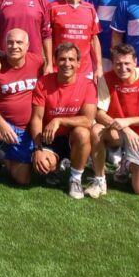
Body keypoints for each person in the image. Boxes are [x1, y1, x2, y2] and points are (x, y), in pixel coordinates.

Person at [90, 43, 139, 198]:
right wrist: (125, 128)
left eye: (127, 63)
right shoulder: (106, 79)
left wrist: (128, 122)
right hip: (118, 132)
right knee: (96, 131)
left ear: (135, 62)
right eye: (118, 64)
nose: (122, 68)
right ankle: (99, 180)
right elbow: (100, 114)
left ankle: (126, 163)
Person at [28, 43, 97, 200]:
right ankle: (57, 166)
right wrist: (38, 148)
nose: (67, 64)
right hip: (50, 138)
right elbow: (37, 118)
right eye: (62, 59)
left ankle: (75, 178)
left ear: (79, 63)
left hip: (74, 138)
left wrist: (59, 120)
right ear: (55, 61)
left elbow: (88, 120)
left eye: (71, 59)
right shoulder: (43, 83)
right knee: (43, 166)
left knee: (82, 132)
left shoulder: (87, 84)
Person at [0, 28, 45, 195]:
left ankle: (3, 156)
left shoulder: (38, 63)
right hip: (4, 125)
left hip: (27, 129)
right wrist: (2, 125)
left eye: (19, 42)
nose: (14, 46)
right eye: (10, 42)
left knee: (22, 179)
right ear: (4, 45)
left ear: (28, 45)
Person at [47, 0, 101, 80]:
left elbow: (94, 39)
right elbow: (47, 38)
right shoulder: (53, 8)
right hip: (60, 69)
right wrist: (48, 64)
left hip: (85, 71)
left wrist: (98, 66)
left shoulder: (90, 9)